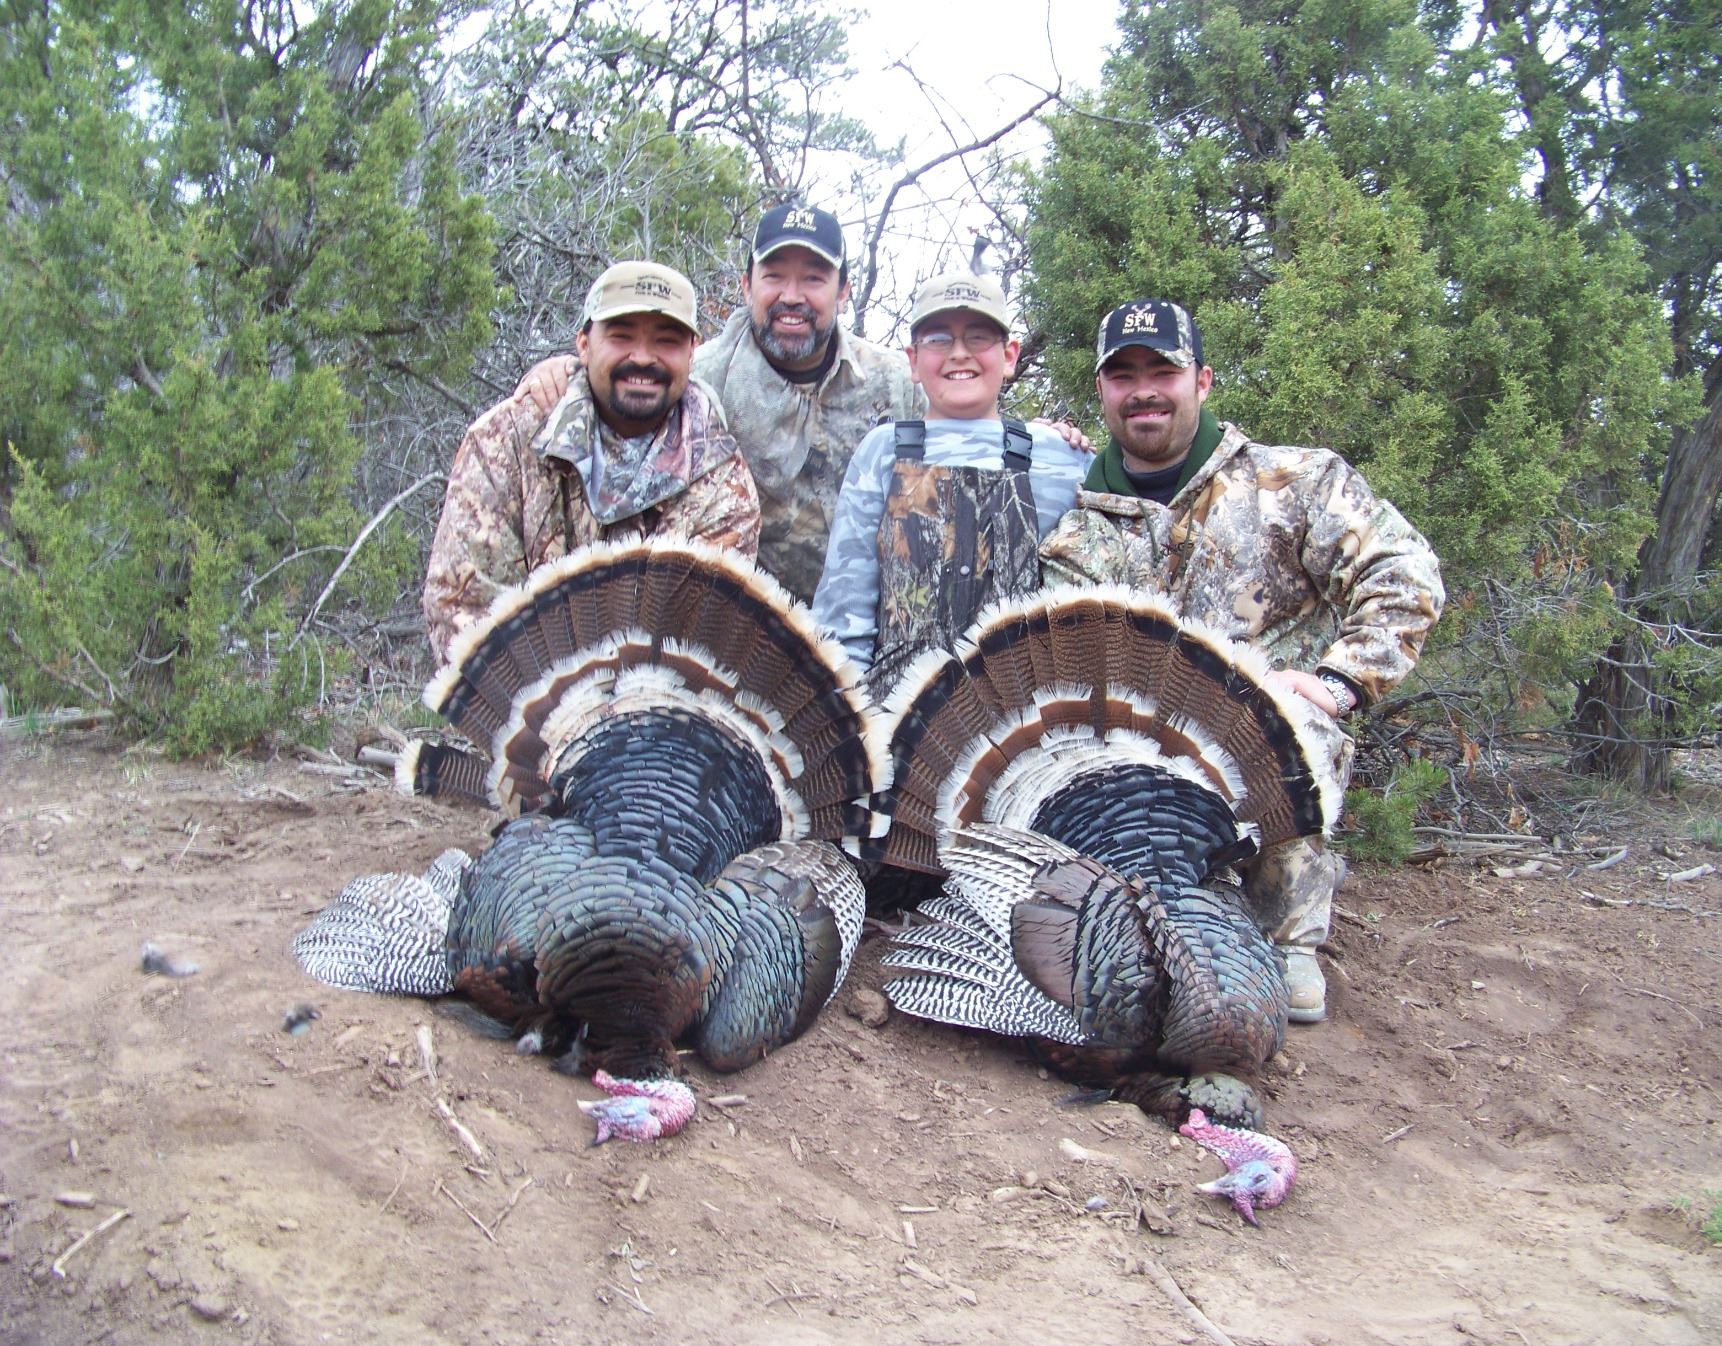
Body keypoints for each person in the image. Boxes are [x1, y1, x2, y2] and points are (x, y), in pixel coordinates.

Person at [1040, 299, 1445, 1024]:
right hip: (1138, 767)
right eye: (1123, 375)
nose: (1143, 391)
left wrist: (1340, 681)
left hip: (1260, 755)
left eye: (1163, 371)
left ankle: (1285, 939)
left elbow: (1404, 574)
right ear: (1101, 390)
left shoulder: (1296, 482)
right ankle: (1130, 925)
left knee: (1291, 724)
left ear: (1202, 380)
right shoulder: (1079, 529)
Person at [516, 204, 921, 599]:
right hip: (746, 621)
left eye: (813, 279)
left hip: (870, 618)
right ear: (746, 286)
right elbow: (620, 378)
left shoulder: (899, 384)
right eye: (774, 276)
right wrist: (567, 374)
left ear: (844, 291)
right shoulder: (695, 378)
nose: (792, 296)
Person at [423, 260, 759, 661]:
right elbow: (463, 608)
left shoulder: (723, 480)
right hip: (525, 693)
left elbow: (706, 642)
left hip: (659, 697)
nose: (642, 357)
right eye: (621, 336)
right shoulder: (506, 440)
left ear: (692, 352)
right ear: (583, 344)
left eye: (666, 341)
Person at [811, 272, 1089, 694]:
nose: (959, 353)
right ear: (913, 360)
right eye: (939, 339)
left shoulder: (1063, 458)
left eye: (978, 337)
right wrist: (852, 719)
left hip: (1023, 721)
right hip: (895, 716)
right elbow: (842, 621)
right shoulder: (881, 452)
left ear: (1010, 356)